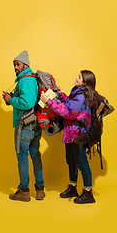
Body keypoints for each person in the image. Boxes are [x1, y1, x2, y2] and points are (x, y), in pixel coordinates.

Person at [40, 70, 96, 204]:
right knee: (71, 161)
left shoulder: (82, 97)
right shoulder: (76, 93)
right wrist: (60, 94)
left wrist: (48, 101)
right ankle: (72, 187)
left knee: (81, 163)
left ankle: (88, 193)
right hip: (70, 134)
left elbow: (67, 112)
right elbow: (68, 103)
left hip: (78, 135)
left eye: (79, 77)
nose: (76, 78)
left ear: (85, 82)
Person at [2, 51, 45, 202]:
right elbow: (30, 100)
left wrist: (10, 100)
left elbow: (27, 103)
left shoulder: (25, 80)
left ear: (25, 65)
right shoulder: (31, 79)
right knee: (35, 154)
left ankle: (24, 191)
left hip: (25, 125)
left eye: (18, 64)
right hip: (35, 124)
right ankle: (40, 190)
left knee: (22, 157)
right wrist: (12, 98)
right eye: (14, 64)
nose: (15, 67)